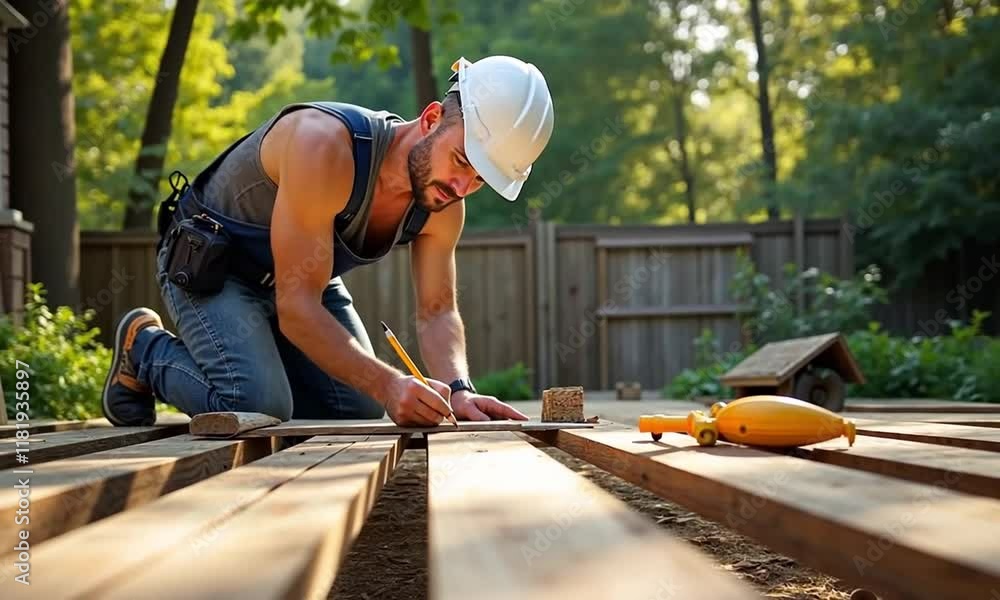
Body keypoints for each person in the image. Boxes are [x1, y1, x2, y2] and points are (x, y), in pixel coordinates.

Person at [101, 55, 554, 427]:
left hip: (302, 281)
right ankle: (144, 350)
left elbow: (437, 311)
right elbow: (297, 308)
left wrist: (458, 390)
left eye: (479, 179)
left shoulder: (444, 204)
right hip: (211, 267)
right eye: (460, 160)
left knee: (356, 408)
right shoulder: (324, 146)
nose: (461, 186)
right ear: (432, 118)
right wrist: (390, 382)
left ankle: (261, 370)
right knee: (260, 406)